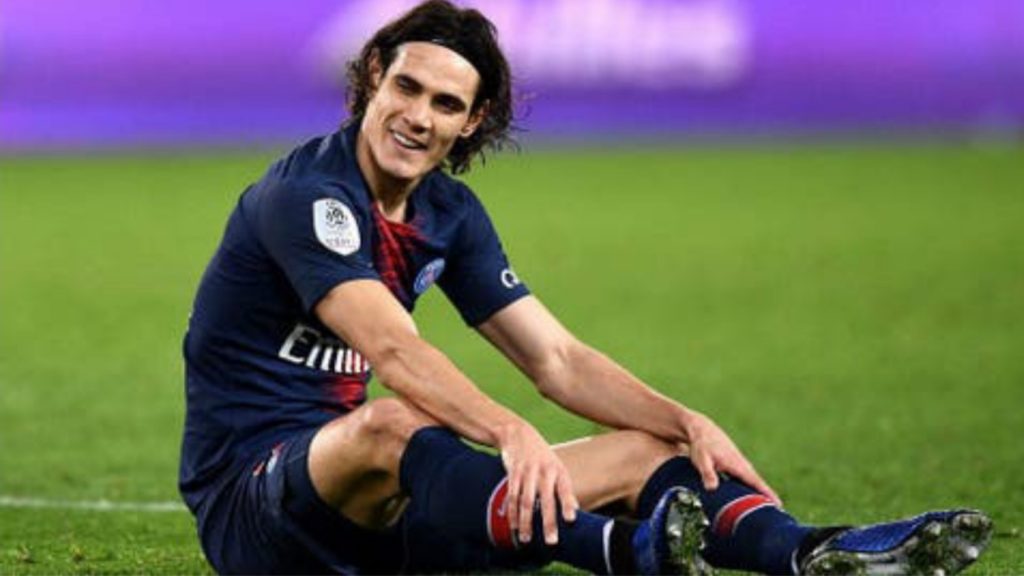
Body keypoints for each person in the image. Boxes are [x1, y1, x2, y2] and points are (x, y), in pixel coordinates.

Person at [178, 1, 992, 574]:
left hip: (381, 521)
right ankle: (628, 553)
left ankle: (814, 551)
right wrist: (509, 432)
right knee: (392, 424)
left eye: (446, 103)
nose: (418, 116)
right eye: (407, 88)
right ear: (371, 79)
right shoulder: (306, 198)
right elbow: (393, 351)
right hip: (256, 511)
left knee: (647, 452)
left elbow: (557, 360)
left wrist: (685, 421)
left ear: (471, 122)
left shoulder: (447, 213)